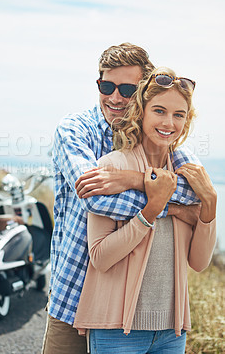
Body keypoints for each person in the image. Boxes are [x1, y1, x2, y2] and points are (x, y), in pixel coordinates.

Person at [42, 44, 202, 354]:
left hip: (126, 308)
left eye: (127, 88)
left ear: (143, 94)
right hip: (73, 293)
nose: (115, 97)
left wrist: (134, 180)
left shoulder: (159, 136)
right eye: (107, 86)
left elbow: (194, 190)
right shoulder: (75, 131)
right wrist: (169, 206)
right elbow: (94, 198)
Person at [73, 67, 217, 354]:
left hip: (171, 332)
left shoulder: (189, 179)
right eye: (160, 111)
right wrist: (151, 210)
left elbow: (199, 263)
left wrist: (210, 202)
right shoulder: (111, 168)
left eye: (179, 115)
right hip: (116, 332)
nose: (169, 122)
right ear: (141, 112)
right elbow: (100, 258)